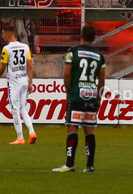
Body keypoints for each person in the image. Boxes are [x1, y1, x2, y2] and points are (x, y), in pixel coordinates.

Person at [53, 24, 105, 173]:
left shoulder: (73, 52)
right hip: (91, 96)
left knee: (72, 128)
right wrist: (99, 98)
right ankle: (90, 166)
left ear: (81, 35)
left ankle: (69, 165)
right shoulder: (99, 56)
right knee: (90, 131)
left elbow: (67, 74)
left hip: (76, 95)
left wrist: (68, 91)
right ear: (94, 38)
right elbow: (102, 81)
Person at [0, 26, 36, 145]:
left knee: (15, 109)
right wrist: (31, 82)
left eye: (2, 33)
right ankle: (32, 132)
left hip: (14, 83)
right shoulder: (25, 47)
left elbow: (2, 67)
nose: (2, 36)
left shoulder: (6, 49)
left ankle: (20, 138)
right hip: (24, 80)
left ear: (6, 33)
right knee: (22, 108)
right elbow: (30, 66)